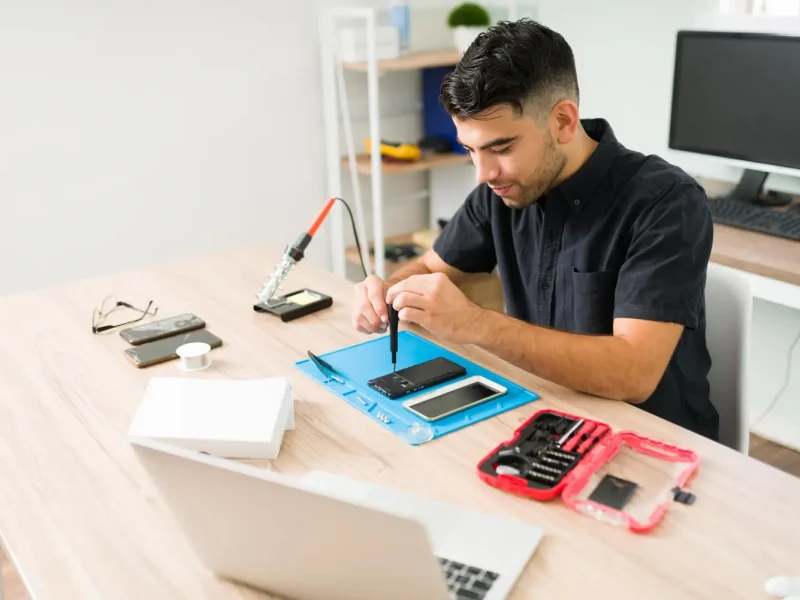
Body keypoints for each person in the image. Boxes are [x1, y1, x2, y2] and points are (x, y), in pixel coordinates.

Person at [350, 18, 718, 440]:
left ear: (563, 121)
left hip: (656, 443)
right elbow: (431, 267)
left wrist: (477, 325)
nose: (482, 172)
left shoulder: (667, 202)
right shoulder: (502, 188)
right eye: (470, 150)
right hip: (545, 420)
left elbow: (633, 374)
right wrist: (388, 291)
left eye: (501, 148)